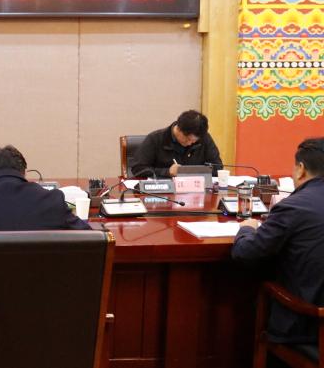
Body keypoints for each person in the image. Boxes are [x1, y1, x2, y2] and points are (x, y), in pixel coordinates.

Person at [231, 137, 324, 347]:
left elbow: (245, 253)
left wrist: (247, 228)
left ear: (300, 169)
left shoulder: (295, 207)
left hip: (308, 329)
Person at [131, 109, 222, 178]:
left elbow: (218, 168)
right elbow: (138, 169)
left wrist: (193, 171)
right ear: (178, 128)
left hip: (196, 190)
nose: (190, 143)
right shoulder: (155, 139)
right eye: (188, 139)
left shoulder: (205, 138)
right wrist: (167, 172)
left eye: (195, 141)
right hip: (164, 191)